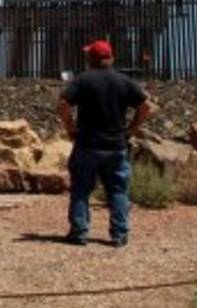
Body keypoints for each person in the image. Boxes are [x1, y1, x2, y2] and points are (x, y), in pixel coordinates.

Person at [57, 40, 151, 247]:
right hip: (116, 145)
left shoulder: (83, 81)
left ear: (91, 58)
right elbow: (145, 106)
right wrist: (131, 130)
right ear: (111, 58)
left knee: (81, 189)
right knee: (117, 190)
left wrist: (70, 128)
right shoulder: (123, 81)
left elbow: (63, 104)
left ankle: (79, 232)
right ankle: (119, 234)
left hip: (87, 144)